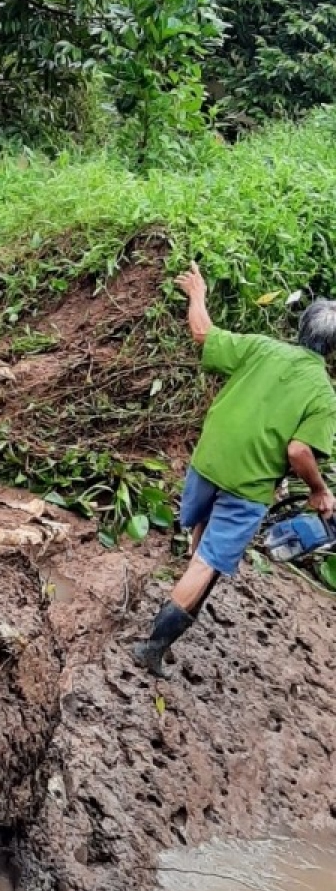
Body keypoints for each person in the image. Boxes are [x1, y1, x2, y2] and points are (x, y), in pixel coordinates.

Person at [132, 262, 336, 676]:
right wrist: (318, 490)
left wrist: (197, 294)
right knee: (208, 561)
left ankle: (191, 582)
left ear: (301, 326)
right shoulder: (322, 393)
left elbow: (202, 334)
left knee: (201, 537)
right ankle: (153, 646)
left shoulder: (261, 347)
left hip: (207, 462)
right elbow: (298, 452)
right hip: (247, 487)